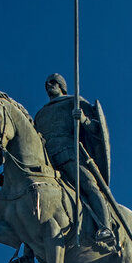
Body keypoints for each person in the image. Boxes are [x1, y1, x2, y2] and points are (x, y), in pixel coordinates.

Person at [34, 73, 113, 243]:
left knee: (90, 186)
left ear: (62, 85)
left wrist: (83, 119)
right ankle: (28, 250)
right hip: (47, 160)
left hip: (69, 153)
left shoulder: (73, 101)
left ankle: (105, 227)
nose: (48, 85)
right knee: (33, 195)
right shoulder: (40, 115)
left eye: (53, 82)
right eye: (46, 83)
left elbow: (97, 130)